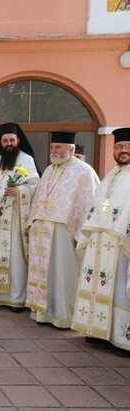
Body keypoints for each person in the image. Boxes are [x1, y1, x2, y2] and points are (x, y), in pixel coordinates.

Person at [26, 131, 99, 328]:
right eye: (52, 147)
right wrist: (31, 222)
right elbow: (39, 197)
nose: (54, 150)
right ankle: (44, 312)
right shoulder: (49, 170)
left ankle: (63, 315)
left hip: (64, 231)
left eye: (58, 147)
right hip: (42, 228)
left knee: (63, 273)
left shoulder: (84, 171)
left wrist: (83, 233)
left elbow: (89, 202)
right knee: (45, 273)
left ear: (71, 149)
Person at [71, 127, 130, 353]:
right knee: (100, 283)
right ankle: (98, 330)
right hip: (100, 240)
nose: (122, 151)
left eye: (127, 147)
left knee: (119, 289)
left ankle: (122, 337)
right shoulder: (111, 175)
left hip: (121, 242)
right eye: (118, 146)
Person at [0, 123, 40, 311]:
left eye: (12, 140)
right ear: (1, 142)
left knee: (14, 257)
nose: (8, 143)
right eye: (5, 140)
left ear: (18, 140)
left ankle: (15, 298)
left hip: (14, 218)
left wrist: (20, 191)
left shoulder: (26, 160)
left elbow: (35, 185)